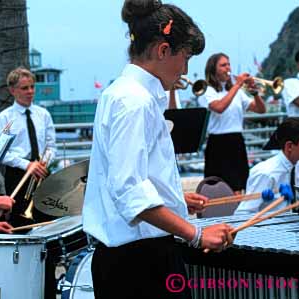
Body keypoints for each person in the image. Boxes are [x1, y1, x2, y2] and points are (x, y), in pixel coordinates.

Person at [82, 1, 233, 298]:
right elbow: (129, 190)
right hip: (138, 264)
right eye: (185, 57)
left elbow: (131, 175)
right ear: (163, 50)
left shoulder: (120, 93)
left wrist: (173, 197)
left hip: (133, 258)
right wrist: (196, 233)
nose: (186, 69)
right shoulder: (134, 102)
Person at [0, 67, 55, 227]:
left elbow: (51, 146)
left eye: (32, 87)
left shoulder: (43, 115)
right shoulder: (5, 118)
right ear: (12, 90)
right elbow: (0, 153)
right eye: (24, 88)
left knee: (47, 221)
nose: (30, 91)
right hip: (18, 176)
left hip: (42, 173)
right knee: (19, 223)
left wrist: (44, 163)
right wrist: (27, 165)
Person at [202, 53, 266, 192]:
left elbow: (261, 110)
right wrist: (237, 85)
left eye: (229, 64)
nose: (228, 68)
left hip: (236, 141)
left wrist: (255, 93)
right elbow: (219, 107)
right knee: (217, 189)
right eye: (223, 65)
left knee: (238, 188)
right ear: (213, 69)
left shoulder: (237, 91)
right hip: (217, 143)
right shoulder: (207, 90)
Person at [235, 117, 299, 214]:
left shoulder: (298, 166)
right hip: (269, 227)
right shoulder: (266, 173)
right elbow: (243, 214)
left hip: (288, 224)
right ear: (289, 146)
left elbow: (291, 202)